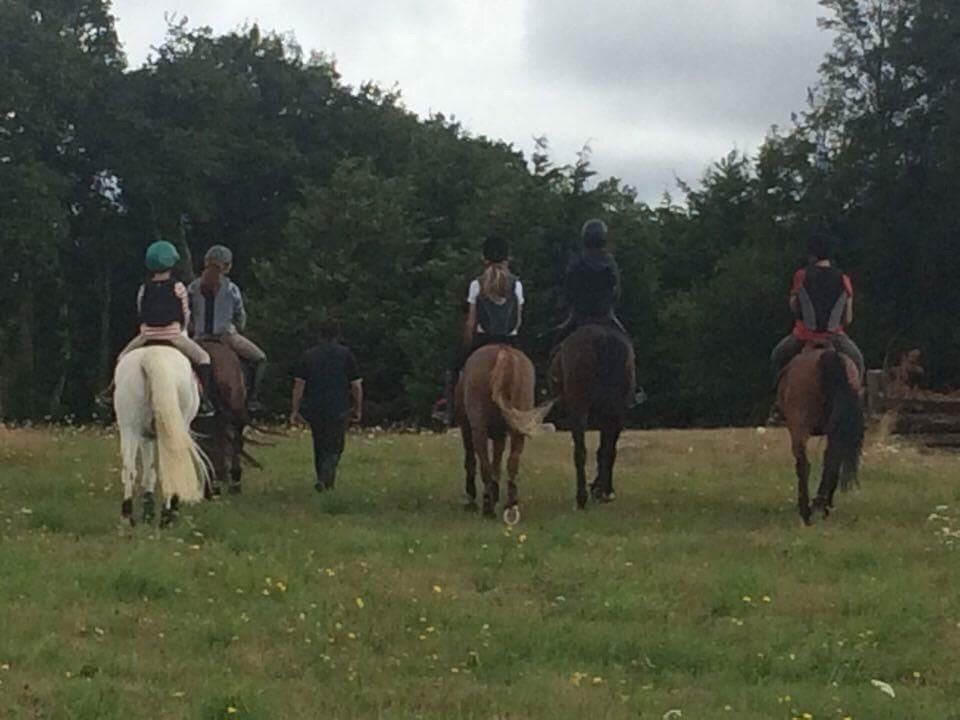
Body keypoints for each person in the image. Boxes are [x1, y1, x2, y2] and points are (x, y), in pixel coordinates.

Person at [98, 241, 216, 416]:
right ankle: (205, 399)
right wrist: (179, 328)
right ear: (171, 263)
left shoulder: (144, 288)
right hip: (173, 336)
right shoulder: (178, 287)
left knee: (122, 357)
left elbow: (140, 311)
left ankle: (110, 391)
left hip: (146, 336)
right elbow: (185, 314)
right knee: (204, 358)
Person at [434, 234, 525, 425]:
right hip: (511, 341)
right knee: (527, 373)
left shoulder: (476, 284)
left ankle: (449, 411)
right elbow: (518, 321)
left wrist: (467, 343)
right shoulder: (517, 285)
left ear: (484, 259)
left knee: (454, 370)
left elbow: (471, 323)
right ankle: (527, 406)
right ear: (507, 258)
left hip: (483, 340)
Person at [770, 232, 865, 387]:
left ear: (812, 255)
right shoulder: (844, 279)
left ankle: (778, 401)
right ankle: (858, 400)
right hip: (835, 337)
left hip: (803, 335)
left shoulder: (801, 275)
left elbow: (794, 307)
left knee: (777, 357)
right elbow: (848, 319)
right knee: (858, 361)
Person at [187, 245, 267, 414]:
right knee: (260, 359)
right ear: (228, 266)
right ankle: (253, 400)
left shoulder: (193, 287)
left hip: (199, 339)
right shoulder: (232, 289)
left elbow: (187, 315)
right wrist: (236, 328)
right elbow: (240, 317)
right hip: (226, 337)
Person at [289, 319, 363, 492]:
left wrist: (295, 410)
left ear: (319, 335)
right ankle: (325, 477)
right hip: (339, 407)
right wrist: (358, 408)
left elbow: (299, 386)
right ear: (338, 334)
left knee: (319, 445)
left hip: (315, 408)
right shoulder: (346, 355)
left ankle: (323, 480)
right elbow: (356, 385)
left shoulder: (309, 355)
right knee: (335, 446)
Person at [554, 219, 626, 347]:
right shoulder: (610, 262)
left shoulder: (576, 261)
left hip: (579, 314)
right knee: (626, 341)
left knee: (556, 344)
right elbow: (616, 291)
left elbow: (569, 289)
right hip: (605, 314)